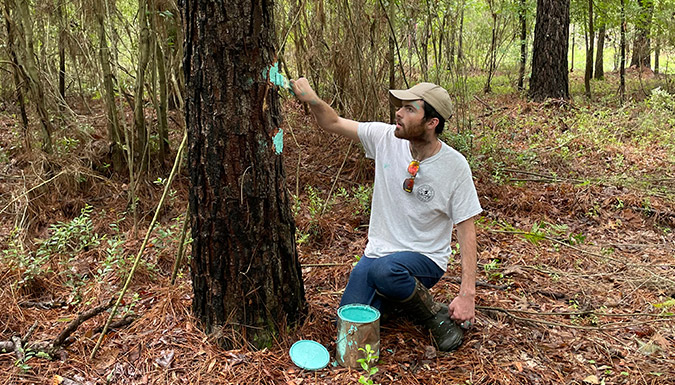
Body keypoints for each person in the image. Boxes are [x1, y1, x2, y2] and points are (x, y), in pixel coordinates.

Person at [290, 78, 482, 352]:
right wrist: (312, 100)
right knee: (349, 325)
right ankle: (396, 300)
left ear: (432, 123)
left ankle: (434, 316)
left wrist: (467, 294)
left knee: (386, 272)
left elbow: (466, 229)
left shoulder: (455, 166)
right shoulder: (385, 137)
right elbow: (332, 123)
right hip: (378, 253)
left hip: (425, 258)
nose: (398, 113)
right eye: (400, 107)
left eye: (409, 109)